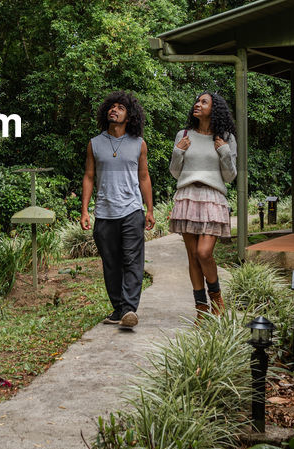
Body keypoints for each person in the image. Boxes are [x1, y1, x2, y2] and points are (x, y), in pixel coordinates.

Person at [81, 91, 155, 330]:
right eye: (111, 107)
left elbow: (144, 177)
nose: (114, 110)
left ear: (129, 115)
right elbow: (89, 176)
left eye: (120, 107)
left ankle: (129, 309)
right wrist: (84, 210)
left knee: (133, 261)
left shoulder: (138, 143)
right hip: (104, 212)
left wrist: (150, 209)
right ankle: (119, 308)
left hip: (132, 210)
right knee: (111, 263)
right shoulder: (95, 143)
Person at [169, 91, 237, 315]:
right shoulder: (184, 134)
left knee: (204, 253)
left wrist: (224, 151)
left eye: (203, 102)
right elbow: (175, 172)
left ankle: (217, 300)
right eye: (197, 101)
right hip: (187, 196)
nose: (197, 104)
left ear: (213, 108)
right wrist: (178, 152)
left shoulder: (225, 137)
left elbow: (229, 176)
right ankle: (201, 309)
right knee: (192, 257)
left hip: (212, 198)